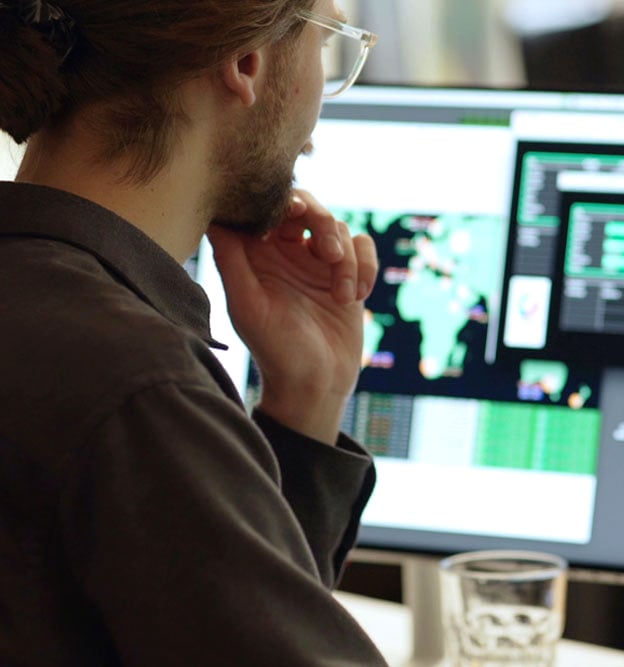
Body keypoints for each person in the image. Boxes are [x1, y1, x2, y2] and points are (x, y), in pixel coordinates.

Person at [0, 0, 390, 663]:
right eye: (326, 42)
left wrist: (306, 400)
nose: (320, 114)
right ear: (246, 62)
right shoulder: (138, 389)